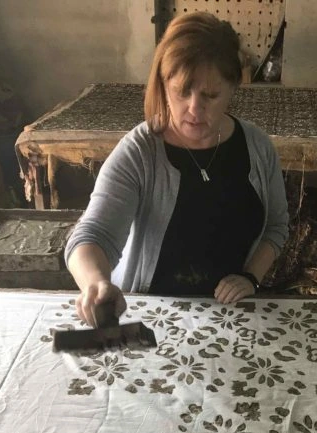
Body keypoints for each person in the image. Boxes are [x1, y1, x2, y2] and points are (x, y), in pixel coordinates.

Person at [65, 12, 289, 327]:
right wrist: (96, 283)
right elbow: (92, 235)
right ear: (164, 83)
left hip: (234, 315)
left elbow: (276, 227)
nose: (195, 109)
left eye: (210, 95)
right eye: (182, 91)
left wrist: (250, 277)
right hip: (155, 314)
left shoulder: (257, 146)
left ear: (234, 87)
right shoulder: (140, 152)